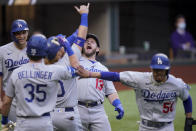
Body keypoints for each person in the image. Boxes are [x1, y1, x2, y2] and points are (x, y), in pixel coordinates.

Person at [77, 53, 194, 131]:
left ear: (167, 71)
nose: (158, 73)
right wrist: (91, 74)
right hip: (145, 127)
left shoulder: (177, 84)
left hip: (166, 127)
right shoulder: (140, 79)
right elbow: (115, 76)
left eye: (161, 71)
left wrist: (188, 118)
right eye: (156, 70)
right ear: (151, 69)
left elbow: (187, 98)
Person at [0, 34, 79, 131]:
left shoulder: (16, 73)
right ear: (44, 51)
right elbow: (77, 69)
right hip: (44, 122)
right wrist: (67, 46)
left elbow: (6, 102)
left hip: (23, 123)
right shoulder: (54, 70)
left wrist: (4, 121)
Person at [47, 3, 90, 131]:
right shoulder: (68, 60)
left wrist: (69, 38)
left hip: (49, 115)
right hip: (68, 115)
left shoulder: (42, 65)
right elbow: (81, 37)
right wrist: (84, 15)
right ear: (60, 51)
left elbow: (75, 36)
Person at [77, 33, 124, 131]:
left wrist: (118, 104)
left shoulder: (103, 69)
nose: (89, 42)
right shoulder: (75, 63)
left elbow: (110, 91)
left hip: (98, 111)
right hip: (78, 109)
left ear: (97, 49)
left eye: (92, 42)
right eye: (86, 41)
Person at [0, 19, 29, 122]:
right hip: (11, 99)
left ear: (27, 32)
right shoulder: (2, 51)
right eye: (17, 33)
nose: (21, 36)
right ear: (12, 34)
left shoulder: (34, 48)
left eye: (23, 32)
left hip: (30, 96)